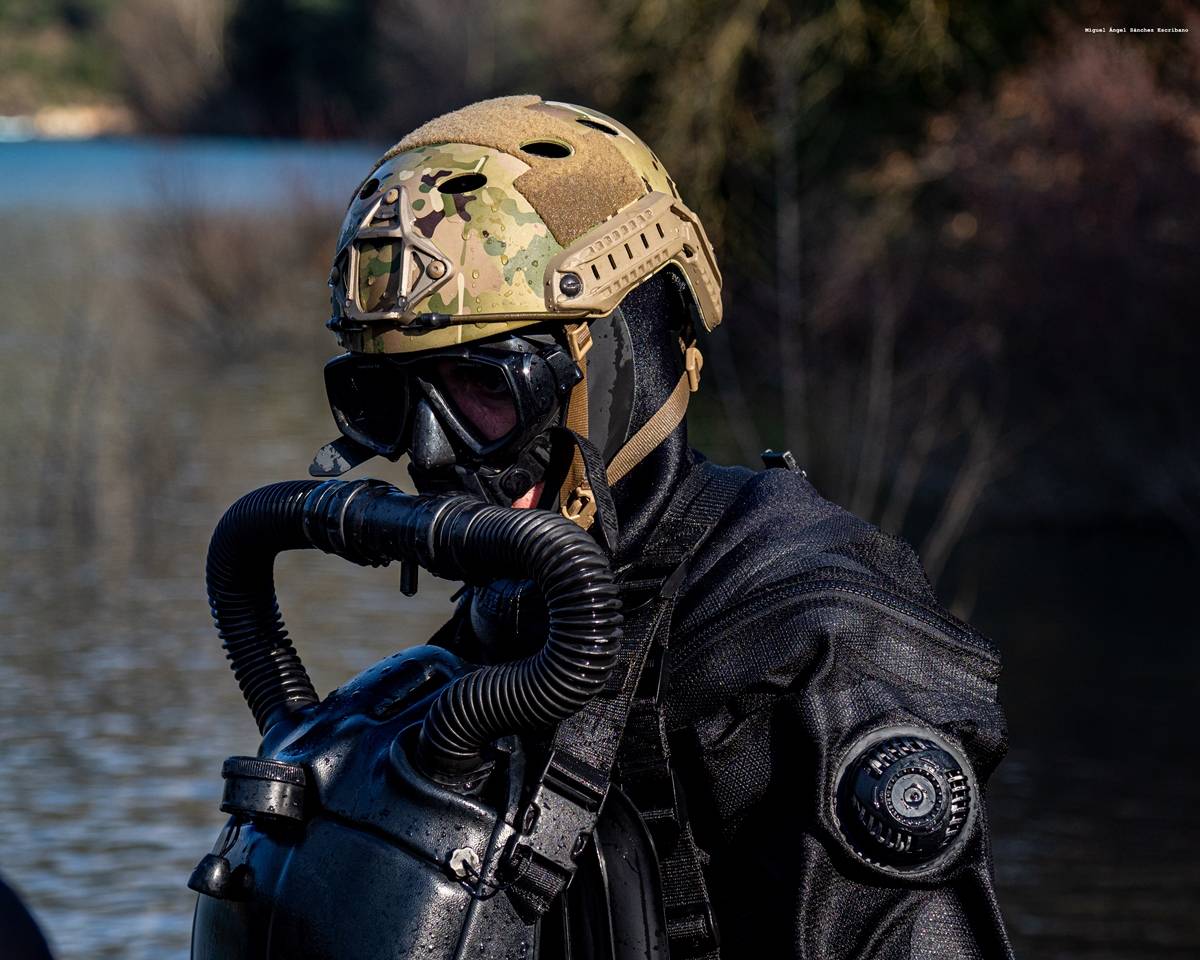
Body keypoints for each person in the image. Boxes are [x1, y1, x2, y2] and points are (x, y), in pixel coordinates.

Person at [312, 95, 1013, 959]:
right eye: (386, 401)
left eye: (484, 388)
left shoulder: (814, 648)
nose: (427, 457)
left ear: (618, 363)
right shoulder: (509, 618)